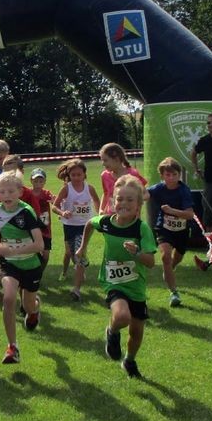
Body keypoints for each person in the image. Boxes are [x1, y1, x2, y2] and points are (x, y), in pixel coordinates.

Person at [77, 174, 157, 379]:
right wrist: (82, 248)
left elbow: (150, 262)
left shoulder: (141, 229)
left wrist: (137, 253)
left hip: (136, 286)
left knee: (136, 332)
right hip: (113, 282)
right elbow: (90, 224)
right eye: (120, 199)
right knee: (122, 316)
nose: (124, 203)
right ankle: (112, 331)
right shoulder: (106, 223)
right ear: (113, 201)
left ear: (138, 205)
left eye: (130, 200)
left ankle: (129, 360)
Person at [0, 171, 46, 364]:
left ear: (20, 192)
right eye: (1, 192)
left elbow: (39, 245)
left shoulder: (26, 212)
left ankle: (34, 309)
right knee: (8, 299)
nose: (6, 195)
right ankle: (12, 347)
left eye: (10, 191)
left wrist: (12, 249)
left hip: (31, 264)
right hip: (10, 264)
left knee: (28, 306)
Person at [148, 157, 195, 308]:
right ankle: (174, 292)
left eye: (174, 174)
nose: (171, 178)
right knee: (165, 256)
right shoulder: (158, 188)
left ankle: (170, 268)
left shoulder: (184, 190)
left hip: (182, 230)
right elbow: (145, 194)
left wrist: (171, 211)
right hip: (164, 228)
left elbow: (190, 214)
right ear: (162, 175)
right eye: (168, 175)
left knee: (177, 258)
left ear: (179, 175)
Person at [55, 159, 99, 301]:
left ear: (84, 174)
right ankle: (80, 263)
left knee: (78, 253)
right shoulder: (66, 189)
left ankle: (76, 290)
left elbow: (97, 201)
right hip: (69, 225)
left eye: (79, 174)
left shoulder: (89, 188)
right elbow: (54, 206)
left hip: (85, 225)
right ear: (69, 175)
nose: (76, 177)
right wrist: (62, 212)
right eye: (73, 175)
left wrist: (99, 214)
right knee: (71, 253)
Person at [98, 143, 147, 212]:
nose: (103, 163)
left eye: (105, 160)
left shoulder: (132, 174)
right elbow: (106, 194)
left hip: (130, 216)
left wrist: (130, 201)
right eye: (102, 160)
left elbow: (146, 194)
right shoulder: (104, 175)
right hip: (111, 216)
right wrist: (101, 209)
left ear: (116, 159)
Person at [28, 168, 55, 272]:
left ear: (44, 182)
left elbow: (54, 202)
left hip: (45, 229)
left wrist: (54, 201)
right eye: (36, 181)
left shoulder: (46, 193)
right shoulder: (28, 193)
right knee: (33, 253)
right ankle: (33, 272)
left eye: (41, 181)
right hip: (32, 228)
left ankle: (40, 272)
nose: (38, 184)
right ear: (31, 180)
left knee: (46, 255)